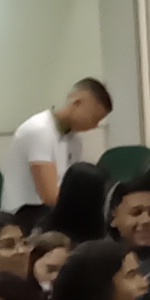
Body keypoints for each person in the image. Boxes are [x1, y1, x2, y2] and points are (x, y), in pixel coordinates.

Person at [14, 78, 113, 208]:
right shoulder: (39, 130)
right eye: (94, 118)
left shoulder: (74, 140)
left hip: (50, 211)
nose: (95, 126)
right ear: (77, 103)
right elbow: (50, 197)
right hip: (25, 212)